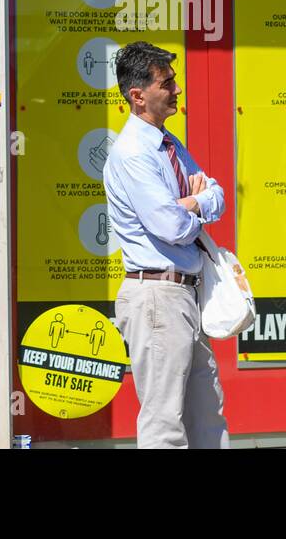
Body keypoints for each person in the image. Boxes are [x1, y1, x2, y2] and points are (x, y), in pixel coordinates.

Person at [103, 41, 228, 449]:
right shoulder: (134, 153)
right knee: (164, 423)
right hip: (157, 295)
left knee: (207, 415)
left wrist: (194, 201)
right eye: (166, 83)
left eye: (174, 81)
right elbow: (170, 225)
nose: (177, 90)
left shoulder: (168, 143)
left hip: (183, 294)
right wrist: (195, 205)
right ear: (137, 96)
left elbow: (218, 196)